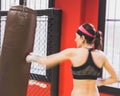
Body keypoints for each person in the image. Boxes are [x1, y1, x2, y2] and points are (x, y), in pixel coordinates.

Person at [26, 23, 118, 96]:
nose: (75, 40)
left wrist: (32, 57)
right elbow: (116, 78)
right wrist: (97, 82)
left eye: (76, 37)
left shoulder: (73, 53)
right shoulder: (101, 56)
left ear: (82, 38)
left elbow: (46, 62)